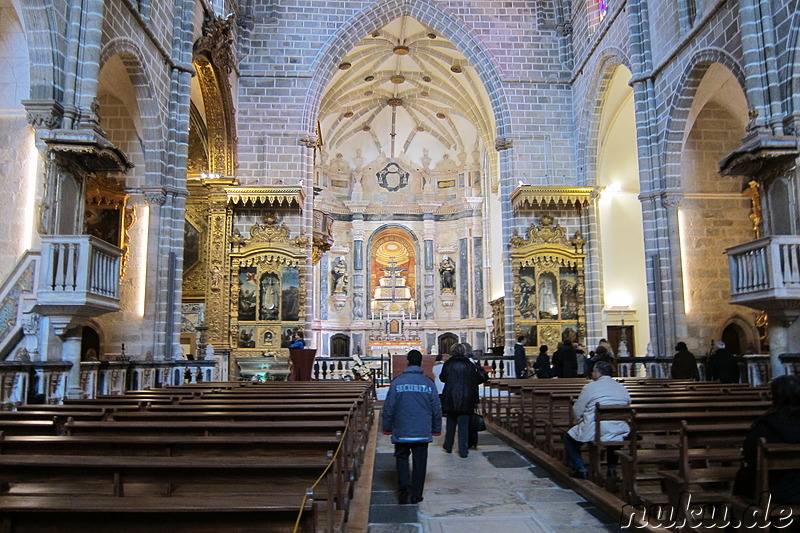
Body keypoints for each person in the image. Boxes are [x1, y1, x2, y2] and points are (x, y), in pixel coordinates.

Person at [382, 350, 442, 505]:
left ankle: (403, 490)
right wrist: (436, 428)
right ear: (421, 362)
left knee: (401, 458)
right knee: (420, 461)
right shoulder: (428, 383)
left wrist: (387, 427)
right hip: (422, 430)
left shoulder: (397, 382)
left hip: (402, 429)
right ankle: (417, 494)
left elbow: (389, 407)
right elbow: (436, 408)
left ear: (408, 361)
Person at [733, 374, 800, 503]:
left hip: (773, 490)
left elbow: (749, 456)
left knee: (743, 476)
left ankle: (737, 519)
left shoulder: (765, 426)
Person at [563, 361, 631, 479]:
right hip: (619, 427)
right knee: (614, 439)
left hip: (596, 427)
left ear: (599, 373)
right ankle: (611, 469)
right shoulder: (622, 388)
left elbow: (578, 409)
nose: (592, 373)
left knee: (568, 438)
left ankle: (581, 468)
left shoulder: (590, 387)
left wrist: (580, 420)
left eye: (593, 371)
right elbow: (628, 405)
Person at [440, 343, 483, 458]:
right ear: (463, 352)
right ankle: (463, 450)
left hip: (451, 395)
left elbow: (442, 378)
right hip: (466, 396)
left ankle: (448, 446)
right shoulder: (469, 364)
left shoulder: (448, 364)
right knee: (463, 426)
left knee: (450, 424)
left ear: (452, 352)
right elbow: (475, 380)